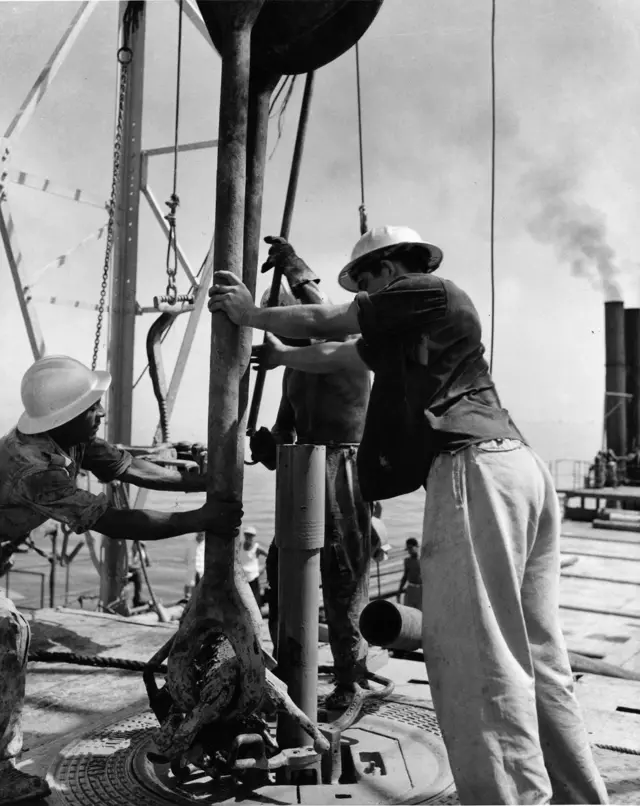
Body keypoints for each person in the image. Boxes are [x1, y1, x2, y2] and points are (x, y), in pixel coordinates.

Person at [209, 227, 608, 805]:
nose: (366, 293)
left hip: (472, 470)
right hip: (515, 468)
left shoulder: (425, 291)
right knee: (538, 657)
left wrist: (251, 315)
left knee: (477, 665)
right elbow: (338, 353)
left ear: (388, 268)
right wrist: (281, 355)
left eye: (366, 281)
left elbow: (331, 320)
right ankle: (578, 796)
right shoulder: (413, 327)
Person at [0, 355, 239, 804]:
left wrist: (203, 482)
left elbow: (128, 467)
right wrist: (200, 518)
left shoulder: (67, 437)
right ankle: (0, 773)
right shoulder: (35, 468)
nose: (101, 413)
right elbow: (112, 520)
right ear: (67, 415)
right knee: (6, 634)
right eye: (92, 408)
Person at [248, 244, 373, 710]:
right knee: (285, 573)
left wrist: (293, 263)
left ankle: (350, 679)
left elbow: (320, 308)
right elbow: (285, 437)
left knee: (344, 578)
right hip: (304, 471)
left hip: (343, 468)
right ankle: (286, 671)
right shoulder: (291, 372)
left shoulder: (342, 352)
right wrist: (267, 447)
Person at [238, 526, 267, 604]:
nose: (248, 537)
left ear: (253, 537)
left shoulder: (257, 548)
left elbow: (269, 556)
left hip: (253, 578)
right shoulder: (240, 545)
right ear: (244, 535)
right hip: (242, 578)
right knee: (242, 599)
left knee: (255, 600)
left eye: (251, 536)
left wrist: (263, 567)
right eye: (247, 535)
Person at [397, 537, 422, 610]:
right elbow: (405, 576)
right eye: (408, 549)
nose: (409, 551)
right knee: (409, 611)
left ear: (416, 547)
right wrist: (399, 590)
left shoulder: (423, 560)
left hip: (422, 590)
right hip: (410, 589)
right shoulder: (407, 561)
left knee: (421, 613)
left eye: (410, 548)